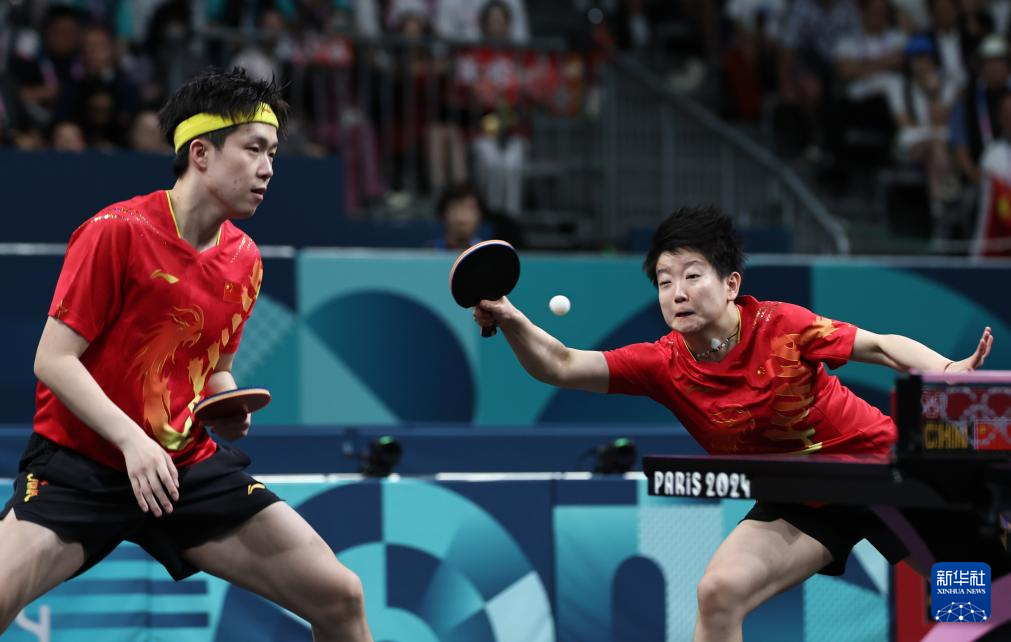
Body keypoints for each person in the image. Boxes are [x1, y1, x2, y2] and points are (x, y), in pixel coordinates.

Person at [471, 205, 995, 642]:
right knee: (718, 593)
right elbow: (561, 365)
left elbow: (879, 346)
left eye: (692, 275)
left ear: (730, 284)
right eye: (665, 281)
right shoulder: (663, 364)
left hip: (883, 472)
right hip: (798, 497)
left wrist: (946, 371)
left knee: (970, 599)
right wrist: (513, 320)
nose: (677, 292)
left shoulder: (782, 326)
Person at [0, 68, 375, 642]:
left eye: (273, 153)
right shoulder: (116, 231)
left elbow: (214, 369)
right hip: (80, 466)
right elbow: (53, 360)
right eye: (253, 149)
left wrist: (226, 402)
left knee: (339, 596)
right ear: (200, 153)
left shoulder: (245, 260)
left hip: (183, 468)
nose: (268, 169)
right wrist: (132, 442)